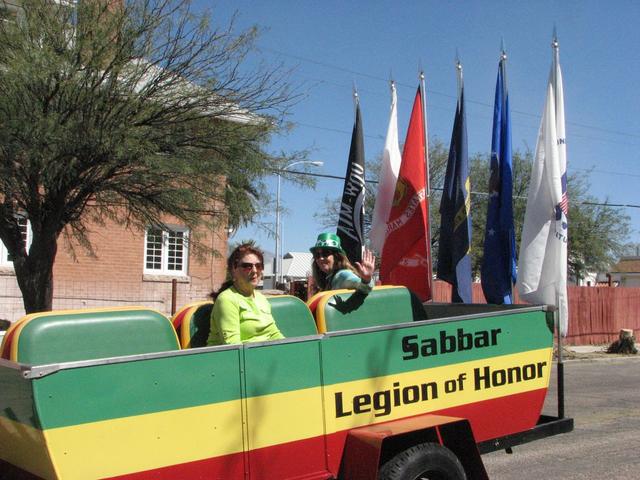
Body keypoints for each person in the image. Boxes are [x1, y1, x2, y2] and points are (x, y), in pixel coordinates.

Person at [207, 243, 284, 345]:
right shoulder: (226, 300)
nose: (254, 271)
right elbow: (233, 346)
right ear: (233, 270)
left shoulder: (261, 299)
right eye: (247, 266)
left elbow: (274, 334)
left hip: (265, 356)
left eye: (258, 266)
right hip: (232, 359)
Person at [310, 232, 376, 294]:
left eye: (325, 253)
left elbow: (365, 288)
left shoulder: (342, 275)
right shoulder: (327, 279)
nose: (321, 258)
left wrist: (366, 280)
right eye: (317, 255)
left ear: (337, 257)